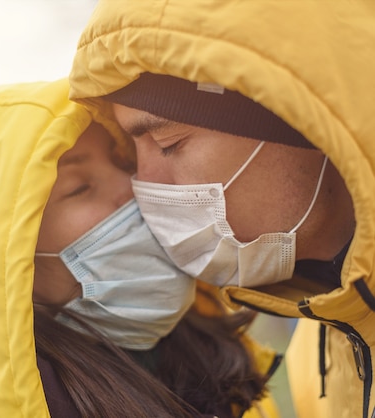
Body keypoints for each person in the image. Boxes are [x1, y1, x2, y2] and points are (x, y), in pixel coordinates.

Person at [0, 79, 281, 417]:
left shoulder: (220, 367)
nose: (132, 187)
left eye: (121, 164)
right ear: (1, 269)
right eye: (80, 187)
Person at [68, 1, 375, 417]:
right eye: (131, 158)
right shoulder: (323, 341)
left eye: (168, 143)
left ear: (297, 112)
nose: (145, 188)